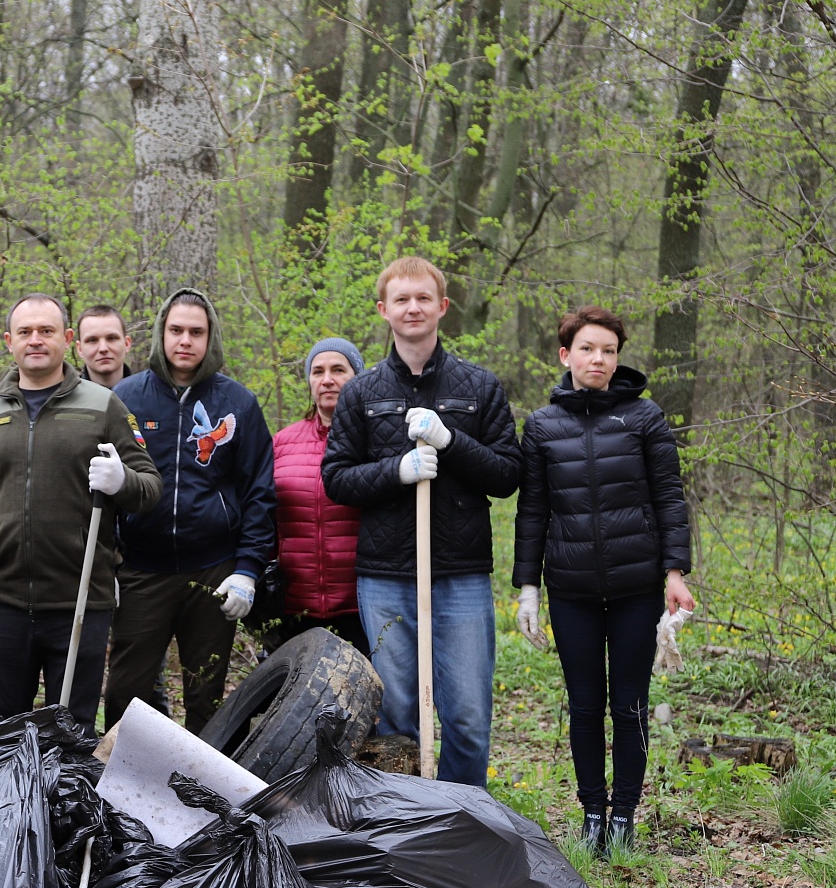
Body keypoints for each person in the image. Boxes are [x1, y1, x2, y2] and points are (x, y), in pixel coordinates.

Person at [324, 256, 521, 787]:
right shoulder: (361, 392)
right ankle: (406, 820)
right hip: (386, 576)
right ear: (383, 309)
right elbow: (336, 479)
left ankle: (462, 820)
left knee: (468, 720)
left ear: (442, 307)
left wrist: (450, 442)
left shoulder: (479, 387)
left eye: (423, 298)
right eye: (402, 299)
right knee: (395, 720)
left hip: (460, 574)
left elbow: (507, 475)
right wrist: (398, 470)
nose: (413, 308)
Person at [0, 294, 161, 734]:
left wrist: (121, 481)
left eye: (46, 331)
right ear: (9, 341)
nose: (36, 340)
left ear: (67, 339)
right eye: (26, 332)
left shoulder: (102, 406)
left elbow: (150, 487)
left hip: (79, 606)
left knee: (70, 737)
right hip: (0, 605)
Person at [514, 307, 693, 854]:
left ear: (618, 358)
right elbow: (533, 512)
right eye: (588, 349)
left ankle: (624, 817)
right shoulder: (542, 426)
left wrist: (675, 572)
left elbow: (669, 498)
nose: (599, 359)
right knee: (586, 705)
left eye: (609, 350)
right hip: (572, 591)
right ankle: (593, 813)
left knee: (631, 705)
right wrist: (528, 589)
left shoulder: (644, 417)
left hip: (638, 587)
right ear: (565, 355)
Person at [108, 289, 276, 732]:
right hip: (141, 571)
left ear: (210, 337)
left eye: (196, 332)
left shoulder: (238, 403)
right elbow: (102, 492)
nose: (185, 340)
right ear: (161, 334)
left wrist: (248, 570)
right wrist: (108, 563)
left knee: (207, 697)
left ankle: (205, 777)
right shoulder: (125, 398)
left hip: (213, 572)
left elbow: (259, 492)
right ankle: (121, 776)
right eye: (176, 330)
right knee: (126, 692)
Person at [270, 337, 370, 655]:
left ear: (358, 378)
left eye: (338, 370)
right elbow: (266, 521)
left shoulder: (376, 440)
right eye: (318, 371)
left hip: (362, 607)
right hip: (293, 607)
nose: (327, 379)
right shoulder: (281, 444)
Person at [74, 304, 134, 390]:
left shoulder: (148, 394)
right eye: (92, 340)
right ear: (80, 349)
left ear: (126, 344)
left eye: (111, 338)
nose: (103, 348)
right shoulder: (65, 398)